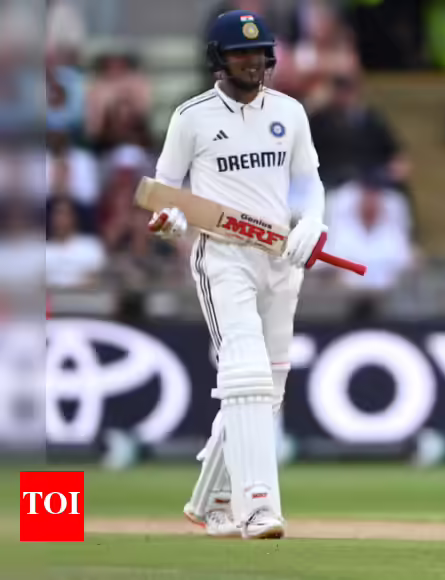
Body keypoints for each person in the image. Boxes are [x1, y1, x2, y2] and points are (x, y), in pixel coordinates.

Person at [147, 9, 328, 540]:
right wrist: (170, 221)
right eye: (241, 53)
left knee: (267, 387)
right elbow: (166, 192)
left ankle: (212, 501)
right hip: (223, 255)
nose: (253, 61)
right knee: (245, 371)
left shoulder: (290, 112)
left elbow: (310, 183)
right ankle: (258, 509)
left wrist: (313, 224)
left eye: (260, 52)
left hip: (280, 257)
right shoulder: (192, 117)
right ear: (218, 60)